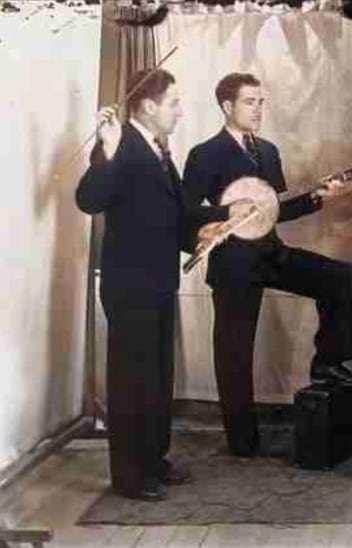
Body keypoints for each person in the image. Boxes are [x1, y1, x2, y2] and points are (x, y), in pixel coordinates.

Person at [182, 73, 352, 458]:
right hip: (234, 262)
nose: (258, 109)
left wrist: (317, 196)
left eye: (261, 102)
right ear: (227, 107)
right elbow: (186, 211)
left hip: (271, 253)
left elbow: (277, 209)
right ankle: (242, 441)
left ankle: (328, 363)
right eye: (250, 102)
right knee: (234, 352)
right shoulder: (206, 153)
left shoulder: (267, 151)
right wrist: (228, 210)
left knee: (343, 280)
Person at [75, 69, 212, 501]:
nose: (180, 111)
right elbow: (89, 200)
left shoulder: (158, 149)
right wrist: (109, 151)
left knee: (156, 377)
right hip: (129, 285)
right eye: (173, 102)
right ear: (148, 106)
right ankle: (130, 477)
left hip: (157, 281)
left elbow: (174, 215)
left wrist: (214, 226)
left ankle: (154, 459)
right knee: (132, 381)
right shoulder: (119, 143)